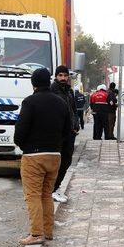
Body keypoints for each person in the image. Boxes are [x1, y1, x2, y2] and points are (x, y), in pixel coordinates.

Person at [14, 68, 71, 245]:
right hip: (55, 155)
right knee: (47, 194)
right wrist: (56, 146)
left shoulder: (30, 102)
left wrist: (24, 145)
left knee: (33, 195)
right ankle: (48, 231)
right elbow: (67, 130)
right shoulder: (61, 102)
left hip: (33, 156)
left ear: (33, 83)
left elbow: (21, 130)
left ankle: (36, 234)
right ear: (49, 81)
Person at [50, 66, 79, 203]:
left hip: (70, 133)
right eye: (60, 75)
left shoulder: (69, 92)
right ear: (56, 76)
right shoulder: (52, 91)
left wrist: (76, 125)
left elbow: (73, 110)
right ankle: (52, 189)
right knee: (56, 162)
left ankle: (56, 187)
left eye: (65, 75)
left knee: (67, 161)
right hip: (58, 133)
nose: (62, 78)